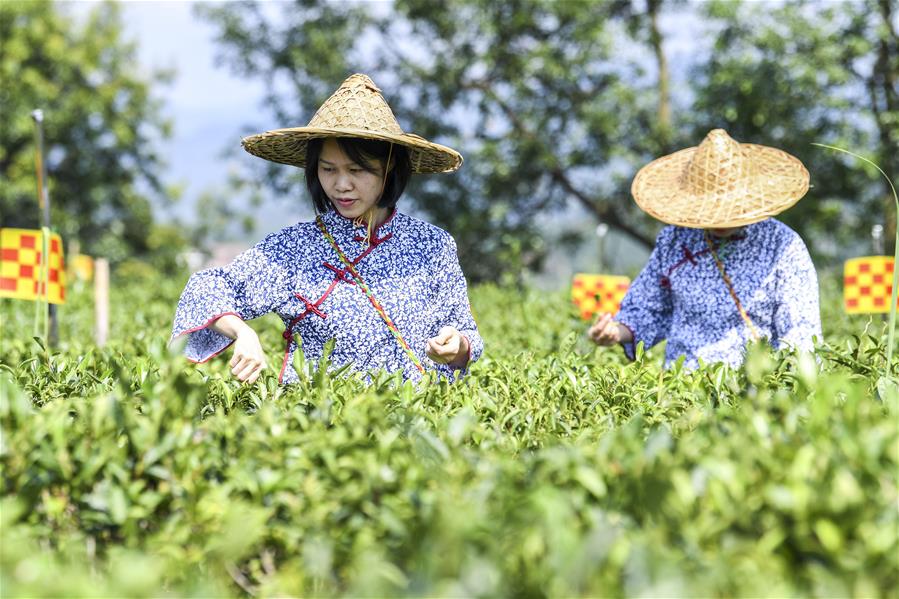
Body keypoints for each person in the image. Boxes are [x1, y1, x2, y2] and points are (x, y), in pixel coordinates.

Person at [171, 74, 482, 384]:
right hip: (318, 421)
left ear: (388, 167)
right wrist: (243, 332)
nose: (341, 185)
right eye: (328, 169)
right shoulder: (294, 248)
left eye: (356, 170)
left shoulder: (432, 245)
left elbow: (464, 333)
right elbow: (206, 289)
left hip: (412, 418)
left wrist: (457, 347)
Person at [588, 129, 822, 369]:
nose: (719, 220)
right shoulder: (674, 240)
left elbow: (800, 332)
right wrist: (615, 332)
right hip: (682, 389)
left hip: (755, 390)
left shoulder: (782, 245)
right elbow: (648, 307)